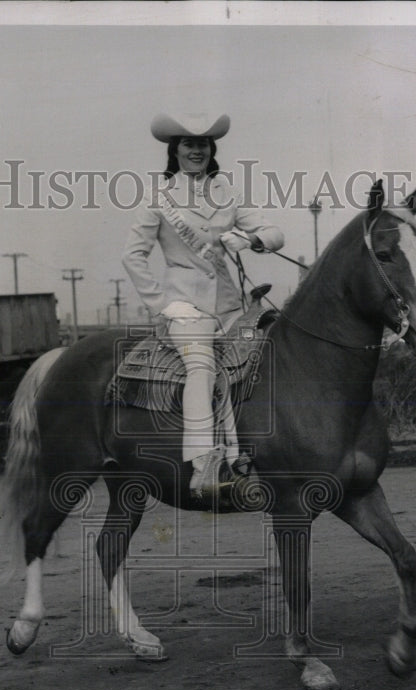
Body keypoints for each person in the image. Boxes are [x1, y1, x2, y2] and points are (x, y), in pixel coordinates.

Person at [121, 112, 285, 500]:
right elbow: (133, 256)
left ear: (212, 150)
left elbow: (274, 232)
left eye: (203, 144)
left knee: (267, 357)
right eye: (188, 144)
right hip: (185, 308)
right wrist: (163, 305)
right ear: (174, 151)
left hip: (230, 306)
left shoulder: (228, 194)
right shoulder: (159, 200)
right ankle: (205, 465)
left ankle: (252, 453)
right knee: (202, 368)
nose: (196, 150)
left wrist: (249, 241)